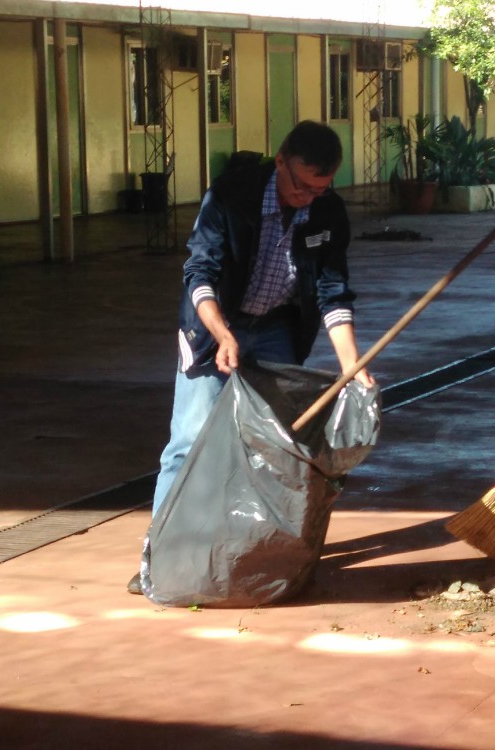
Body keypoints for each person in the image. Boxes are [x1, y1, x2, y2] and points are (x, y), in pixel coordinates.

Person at [129, 120, 375, 594]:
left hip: (278, 328)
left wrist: (351, 364)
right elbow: (199, 272)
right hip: (211, 326)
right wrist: (221, 334)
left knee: (277, 448)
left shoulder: (327, 211)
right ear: (279, 161)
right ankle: (160, 557)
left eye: (321, 188)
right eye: (301, 185)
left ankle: (258, 552)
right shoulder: (229, 196)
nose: (308, 196)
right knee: (190, 439)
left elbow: (332, 292)